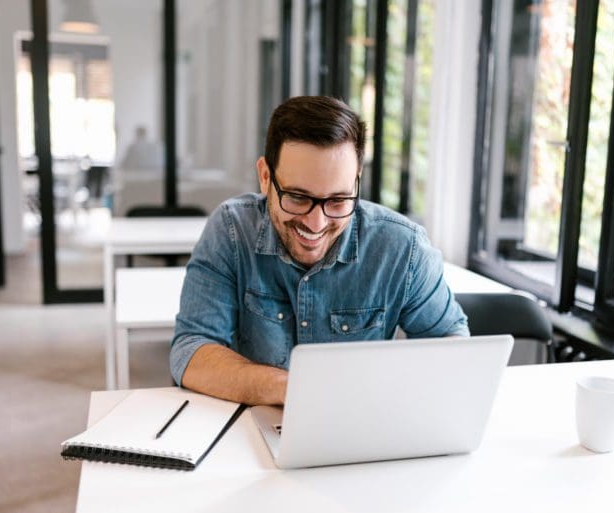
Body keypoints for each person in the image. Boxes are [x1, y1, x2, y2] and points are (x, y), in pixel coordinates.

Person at [170, 96, 468, 406]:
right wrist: (297, 390)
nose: (316, 223)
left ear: (356, 183)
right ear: (265, 177)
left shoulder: (403, 248)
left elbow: (452, 343)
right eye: (298, 198)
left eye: (338, 201)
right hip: (255, 431)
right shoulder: (231, 230)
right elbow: (191, 350)